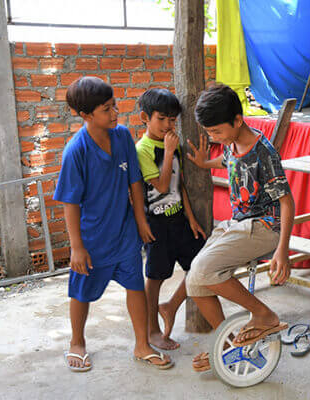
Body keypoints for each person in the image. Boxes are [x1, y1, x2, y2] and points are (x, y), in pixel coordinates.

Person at [54, 77, 172, 371]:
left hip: (124, 235)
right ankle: (77, 342)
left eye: (114, 106)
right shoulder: (76, 151)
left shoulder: (121, 136)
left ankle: (142, 344)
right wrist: (77, 247)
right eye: (107, 109)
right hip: (92, 240)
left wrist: (141, 222)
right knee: (81, 292)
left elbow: (134, 182)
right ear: (86, 115)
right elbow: (70, 203)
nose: (116, 113)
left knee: (135, 287)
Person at [185, 83, 295, 372]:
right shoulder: (231, 142)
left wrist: (282, 252)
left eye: (216, 131)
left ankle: (264, 315)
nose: (213, 137)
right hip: (239, 224)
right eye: (209, 132)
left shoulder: (264, 153)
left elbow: (287, 203)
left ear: (237, 119)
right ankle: (229, 344)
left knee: (203, 270)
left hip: (264, 226)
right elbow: (227, 161)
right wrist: (203, 163)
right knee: (194, 282)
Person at [135, 88, 206, 351]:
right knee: (155, 278)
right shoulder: (143, 150)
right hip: (157, 226)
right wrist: (167, 152)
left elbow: (179, 185)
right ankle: (152, 330)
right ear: (145, 117)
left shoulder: (170, 143)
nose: (168, 125)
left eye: (172, 120)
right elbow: (162, 186)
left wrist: (191, 218)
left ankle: (171, 306)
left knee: (201, 265)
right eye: (162, 119)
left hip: (179, 221)